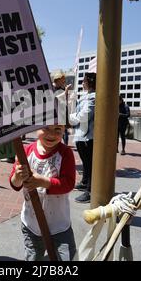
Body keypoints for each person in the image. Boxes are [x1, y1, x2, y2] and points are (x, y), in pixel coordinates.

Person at [9, 125, 76, 261]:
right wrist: (18, 176)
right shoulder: (26, 151)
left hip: (59, 224)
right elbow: (15, 184)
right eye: (46, 128)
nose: (51, 134)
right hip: (31, 223)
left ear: (65, 130)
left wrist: (43, 182)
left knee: (68, 257)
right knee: (33, 257)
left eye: (58, 129)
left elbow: (68, 184)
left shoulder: (65, 153)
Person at [70, 73, 96, 203]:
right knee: (86, 162)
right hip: (82, 135)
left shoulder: (93, 97)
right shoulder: (87, 96)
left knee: (90, 164)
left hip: (87, 137)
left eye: (84, 81)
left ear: (89, 82)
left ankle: (90, 191)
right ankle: (85, 182)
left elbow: (84, 116)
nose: (82, 83)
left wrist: (71, 118)